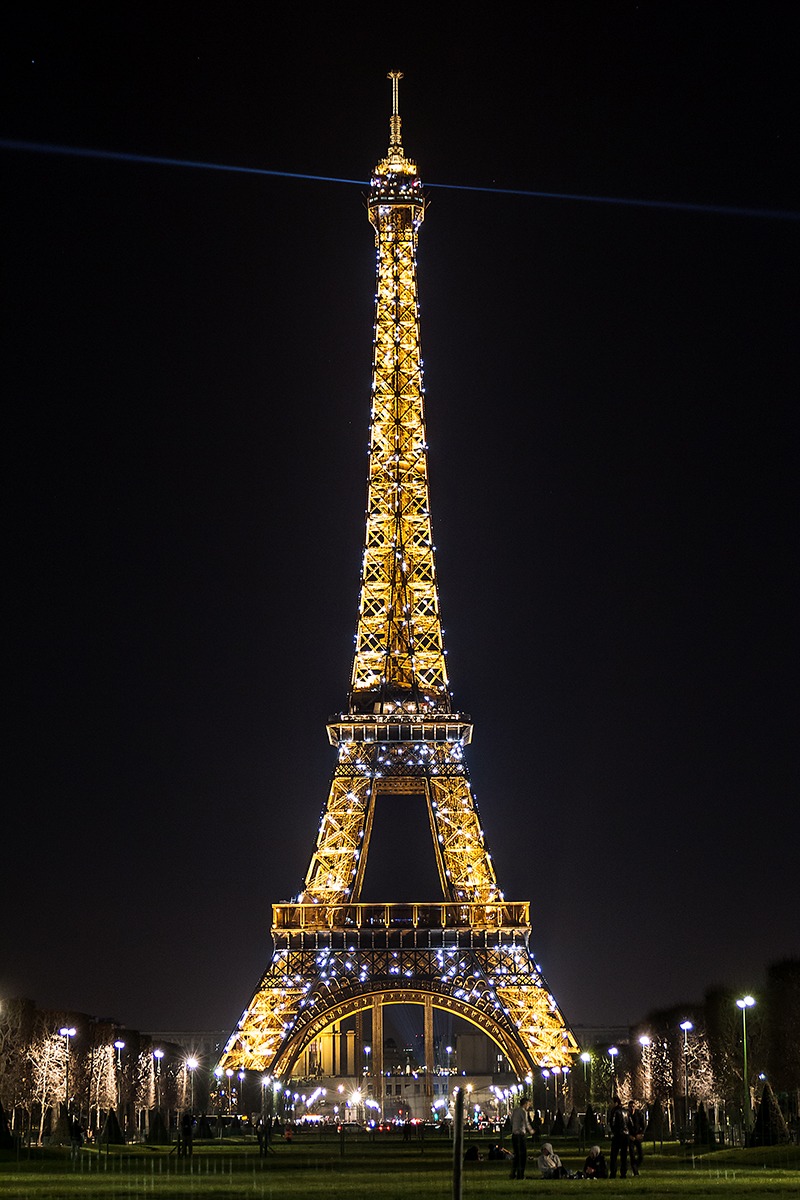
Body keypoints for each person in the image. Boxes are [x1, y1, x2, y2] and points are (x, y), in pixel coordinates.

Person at [510, 1097, 533, 1179]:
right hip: (520, 1135)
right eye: (528, 1104)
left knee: (516, 1155)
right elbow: (526, 1122)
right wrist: (531, 1131)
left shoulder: (515, 1111)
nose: (528, 1106)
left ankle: (513, 1174)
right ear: (525, 1104)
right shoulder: (523, 1112)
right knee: (523, 1156)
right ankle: (520, 1175)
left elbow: (511, 1121)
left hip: (514, 1135)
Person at [609, 1095, 630, 1179]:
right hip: (625, 1135)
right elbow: (629, 1123)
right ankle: (623, 1173)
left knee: (614, 1155)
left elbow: (612, 1123)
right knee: (624, 1155)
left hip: (618, 1135)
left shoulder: (615, 1111)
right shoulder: (626, 1111)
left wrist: (614, 1131)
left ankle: (613, 1172)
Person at [627, 1100, 645, 1174]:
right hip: (631, 1136)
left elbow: (642, 1125)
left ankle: (635, 1166)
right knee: (632, 1155)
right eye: (630, 1107)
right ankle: (635, 1170)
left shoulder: (639, 1114)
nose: (632, 1108)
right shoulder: (627, 1115)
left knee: (640, 1155)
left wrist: (640, 1133)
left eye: (633, 1106)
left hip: (637, 1135)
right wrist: (629, 1135)